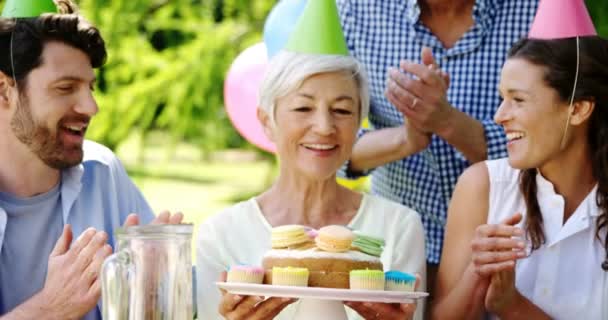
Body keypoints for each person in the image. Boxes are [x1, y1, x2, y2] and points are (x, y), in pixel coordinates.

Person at [197, 48, 426, 320]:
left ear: (358, 124)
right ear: (267, 121)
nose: (324, 127)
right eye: (303, 107)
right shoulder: (221, 234)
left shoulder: (399, 226)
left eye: (342, 110)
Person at [336, 0, 538, 294]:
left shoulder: (535, 8)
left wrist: (448, 123)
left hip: (514, 253)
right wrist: (407, 138)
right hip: (395, 252)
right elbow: (328, 140)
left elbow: (559, 135)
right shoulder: (355, 9)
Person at [0, 1, 181, 319]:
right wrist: (49, 309)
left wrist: (152, 291)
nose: (90, 106)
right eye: (66, 87)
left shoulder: (103, 172)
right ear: (4, 90)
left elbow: (160, 304)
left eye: (90, 88)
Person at [431, 33, 608, 319]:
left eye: (518, 99)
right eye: (503, 98)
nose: (500, 115)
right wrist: (477, 273)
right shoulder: (482, 186)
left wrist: (513, 306)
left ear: (577, 109)